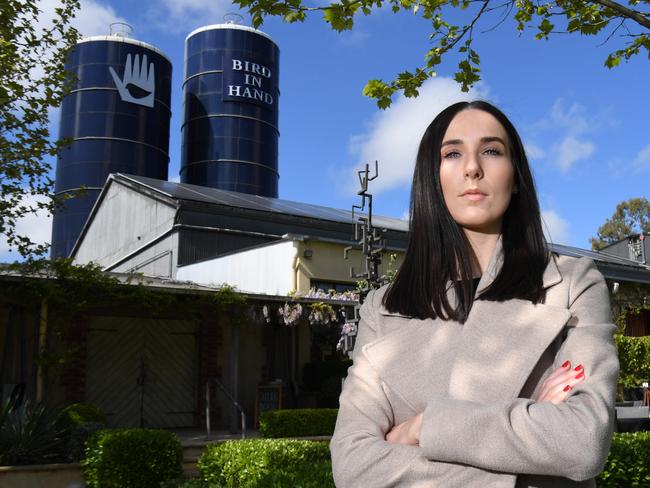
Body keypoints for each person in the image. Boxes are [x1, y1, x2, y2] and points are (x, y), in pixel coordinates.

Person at [330, 100, 619, 487]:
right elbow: (353, 467)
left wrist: (421, 428)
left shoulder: (571, 282)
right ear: (432, 178)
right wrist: (527, 443)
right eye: (452, 153)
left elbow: (582, 441)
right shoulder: (381, 308)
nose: (472, 168)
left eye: (491, 151)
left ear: (516, 177)